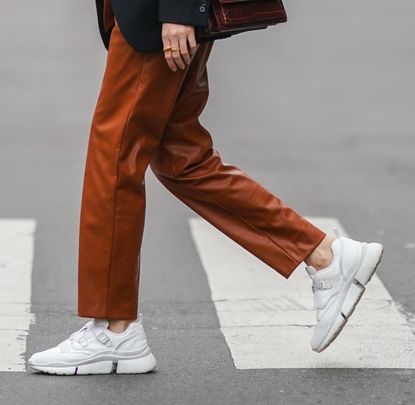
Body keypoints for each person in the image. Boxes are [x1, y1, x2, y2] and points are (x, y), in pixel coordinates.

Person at [28, 0, 383, 375]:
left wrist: (179, 10)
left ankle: (113, 329)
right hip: (157, 15)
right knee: (183, 159)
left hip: (158, 14)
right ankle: (325, 255)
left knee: (113, 158)